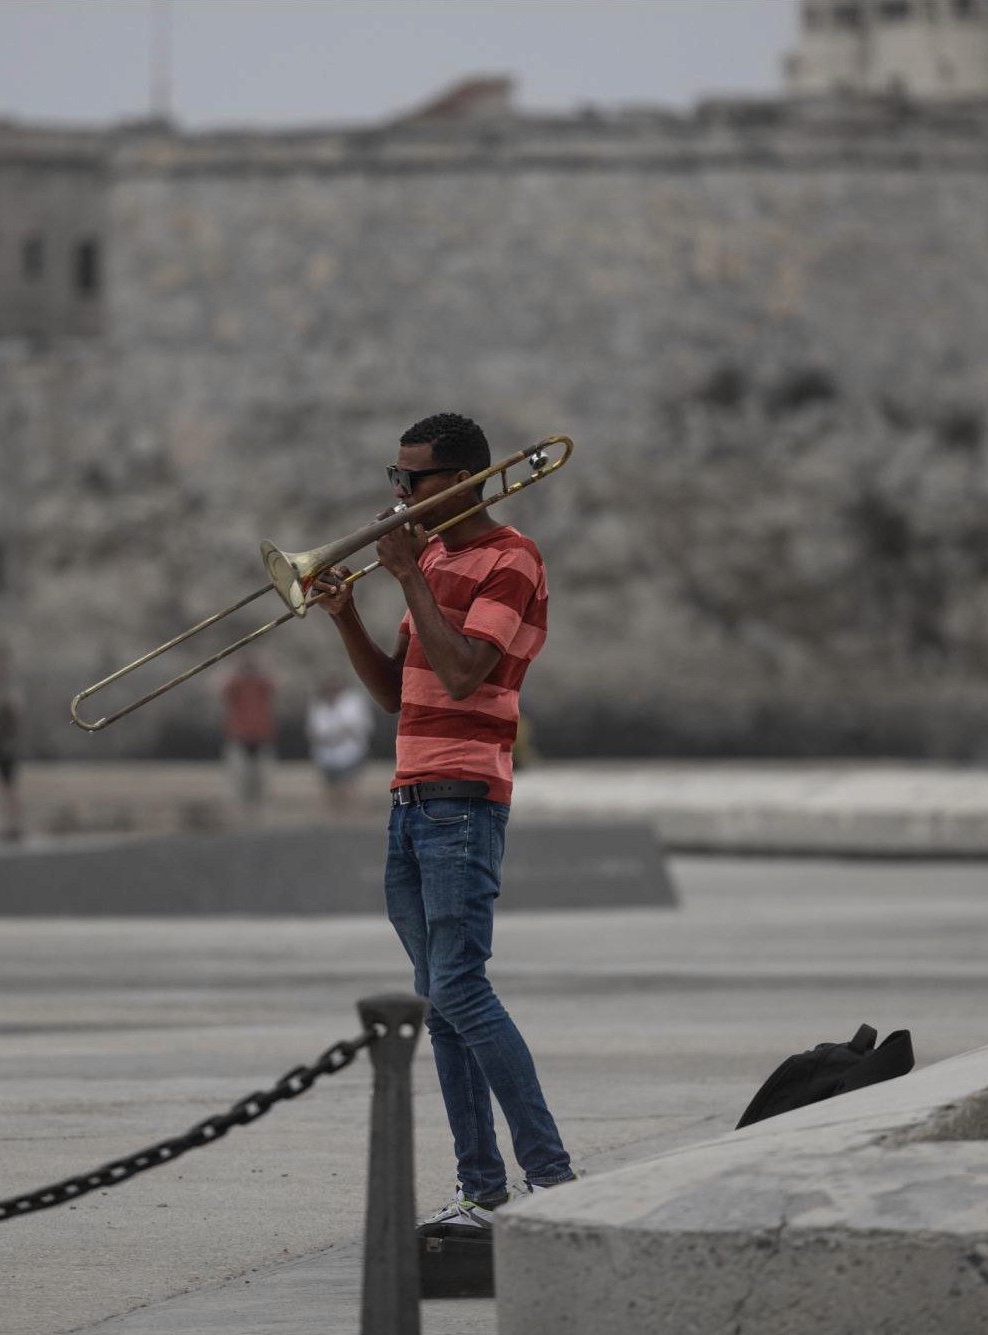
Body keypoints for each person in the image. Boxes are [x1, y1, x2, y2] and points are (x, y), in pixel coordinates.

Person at [310, 411, 577, 1238]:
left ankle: (553, 1177)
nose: (396, 496)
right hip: (411, 795)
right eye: (395, 478)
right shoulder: (429, 554)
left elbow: (464, 673)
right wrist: (347, 613)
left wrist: (408, 582)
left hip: (464, 796)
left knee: (460, 985)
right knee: (442, 998)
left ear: (462, 478)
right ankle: (483, 1185)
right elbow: (396, 692)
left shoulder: (512, 558)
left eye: (411, 480)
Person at [306, 675, 374, 814]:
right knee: (332, 789)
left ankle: (351, 815)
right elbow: (315, 731)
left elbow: (362, 726)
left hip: (351, 752)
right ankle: (335, 816)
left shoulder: (353, 702)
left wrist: (343, 731)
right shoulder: (318, 705)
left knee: (349, 787)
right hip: (326, 755)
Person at [220, 658, 276, 816]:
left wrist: (263, 668)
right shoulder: (234, 685)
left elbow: (278, 684)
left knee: (260, 777)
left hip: (261, 736)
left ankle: (258, 810)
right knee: (240, 776)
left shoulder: (262, 684)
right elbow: (218, 687)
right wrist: (234, 670)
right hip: (239, 736)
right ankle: (241, 809)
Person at [0, 655, 24, 843]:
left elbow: (14, 715)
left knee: (9, 786)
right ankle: (9, 824)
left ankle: (14, 825)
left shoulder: (9, 694)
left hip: (6, 742)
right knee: (2, 786)